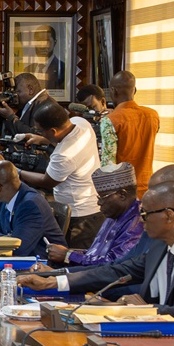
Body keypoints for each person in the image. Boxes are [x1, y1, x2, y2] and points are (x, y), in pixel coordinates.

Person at [19, 181, 174, 331]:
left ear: (168, 215)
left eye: (145, 214)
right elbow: (117, 271)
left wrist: (147, 309)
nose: (141, 220)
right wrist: (53, 282)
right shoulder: (161, 242)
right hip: (153, 332)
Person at [21, 100, 104, 249]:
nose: (38, 133)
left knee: (73, 257)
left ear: (53, 131)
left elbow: (47, 181)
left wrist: (17, 172)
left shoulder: (64, 155)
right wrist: (42, 139)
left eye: (40, 131)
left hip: (79, 217)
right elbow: (63, 137)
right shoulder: (80, 123)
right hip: (93, 209)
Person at [45, 163, 144, 267]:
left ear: (122, 195)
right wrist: (68, 253)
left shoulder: (137, 223)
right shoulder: (114, 214)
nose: (99, 203)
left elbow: (114, 265)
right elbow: (94, 254)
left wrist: (68, 255)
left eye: (102, 197)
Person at [108, 71, 160, 197]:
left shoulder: (111, 120)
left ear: (113, 91)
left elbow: (108, 163)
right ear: (135, 90)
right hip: (146, 186)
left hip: (121, 190)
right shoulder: (152, 115)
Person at [0, 72, 50, 137]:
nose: (15, 96)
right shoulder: (27, 105)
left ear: (30, 90)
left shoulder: (46, 107)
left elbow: (35, 136)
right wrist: (4, 109)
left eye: (17, 92)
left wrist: (11, 117)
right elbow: (8, 133)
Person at [75, 84, 117, 167]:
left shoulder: (114, 119)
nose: (89, 112)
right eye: (85, 109)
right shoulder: (82, 124)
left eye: (92, 107)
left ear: (103, 101)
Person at [23, 25, 65, 90]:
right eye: (39, 40)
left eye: (47, 41)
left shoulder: (63, 70)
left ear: (55, 42)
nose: (42, 45)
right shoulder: (27, 70)